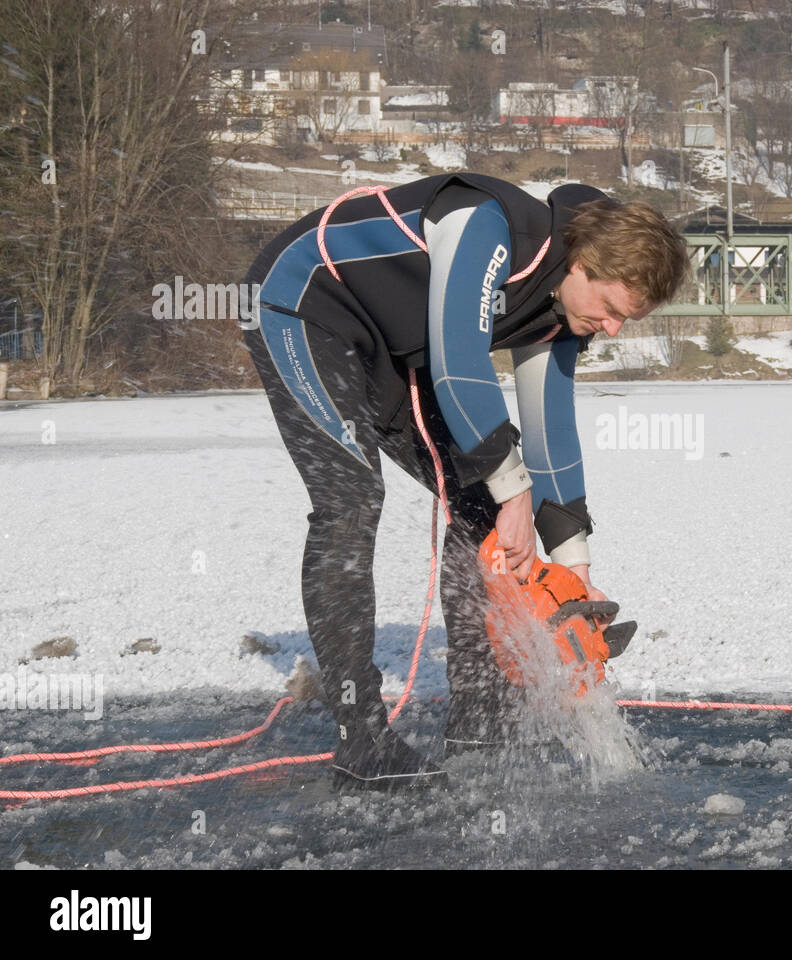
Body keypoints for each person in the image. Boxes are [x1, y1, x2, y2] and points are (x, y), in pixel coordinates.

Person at [240, 173, 689, 790]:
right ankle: (361, 739)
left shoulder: (559, 309)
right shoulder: (490, 223)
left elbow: (549, 426)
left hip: (398, 349)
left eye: (624, 320)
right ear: (583, 262)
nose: (612, 329)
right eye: (611, 310)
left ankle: (480, 712)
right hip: (306, 303)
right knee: (351, 501)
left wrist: (573, 566)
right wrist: (514, 490)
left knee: (480, 511)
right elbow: (458, 359)